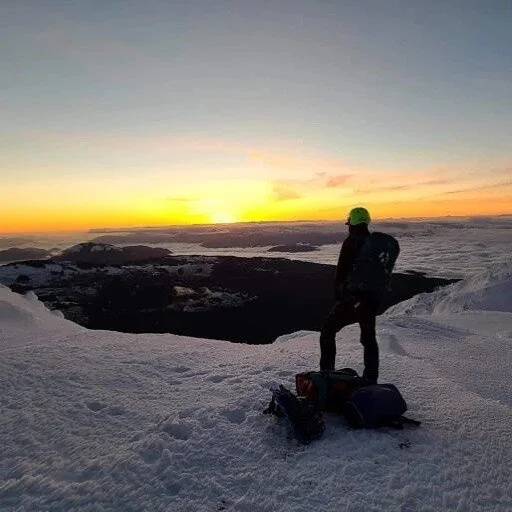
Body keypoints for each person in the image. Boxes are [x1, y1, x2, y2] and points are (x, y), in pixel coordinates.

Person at [319, 207, 381, 383]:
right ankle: (370, 378)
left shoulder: (351, 242)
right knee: (368, 338)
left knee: (327, 331)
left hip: (351, 300)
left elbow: (341, 273)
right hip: (369, 301)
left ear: (351, 222)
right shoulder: (373, 243)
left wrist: (341, 297)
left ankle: (326, 373)